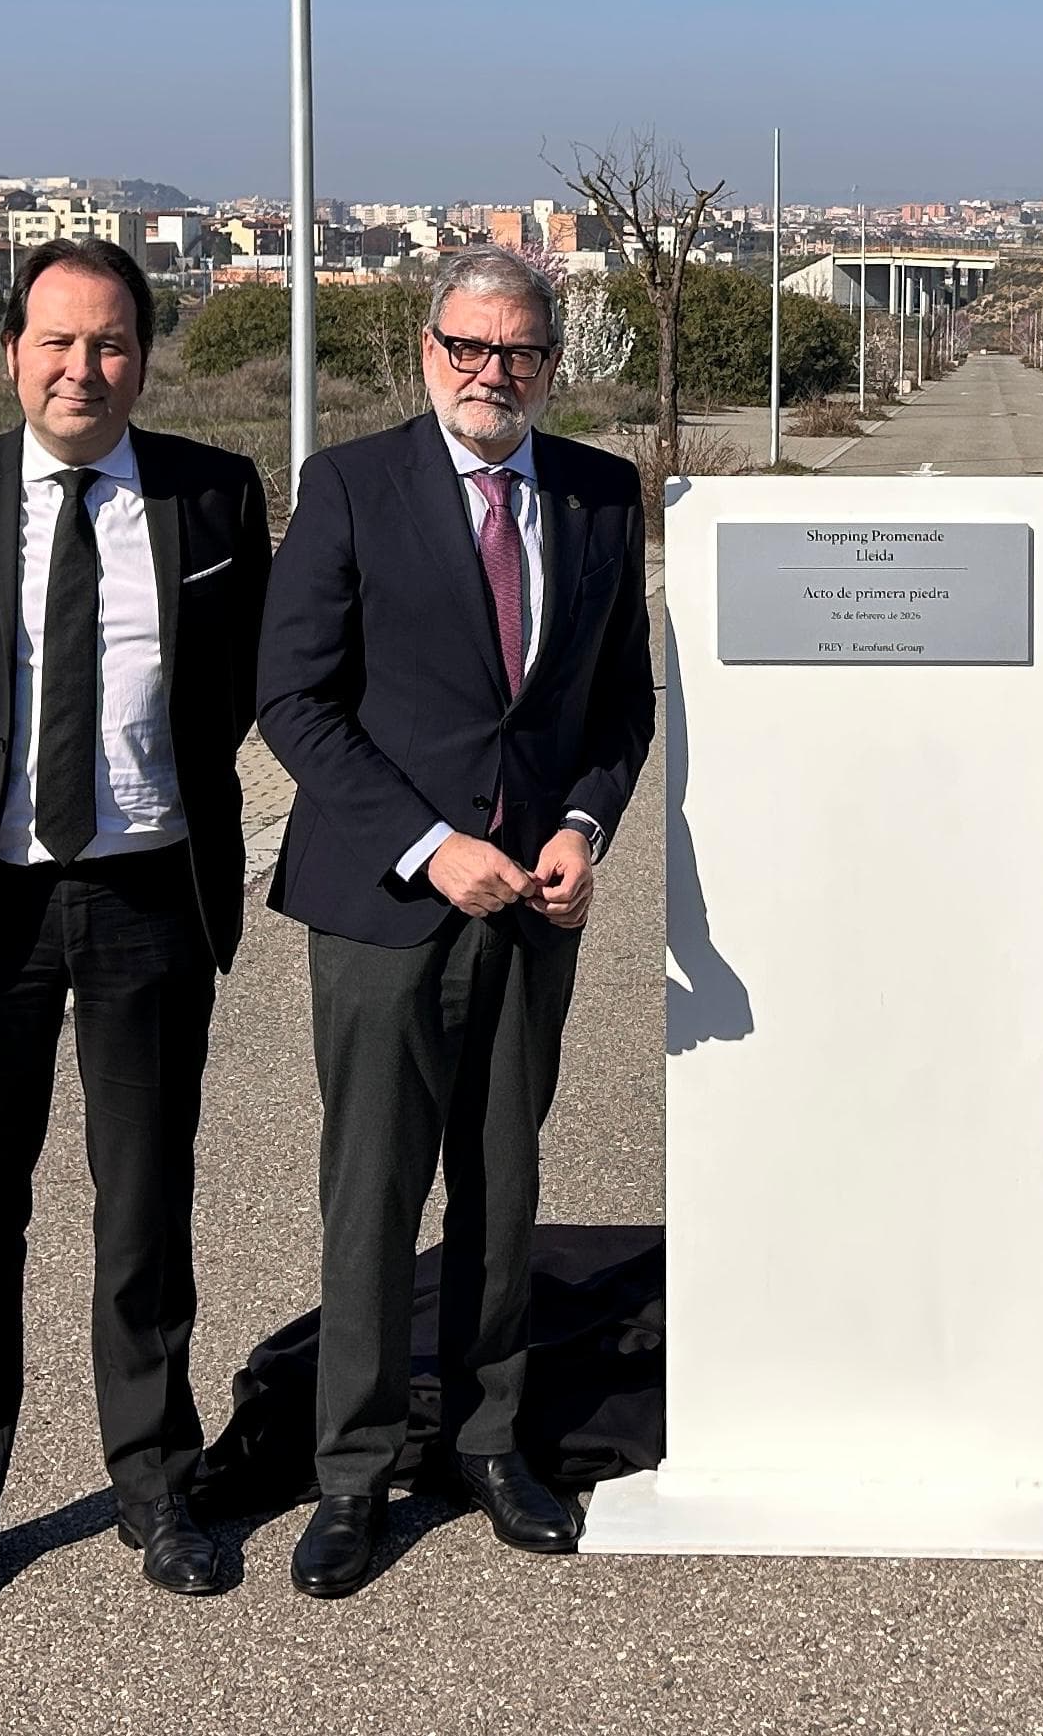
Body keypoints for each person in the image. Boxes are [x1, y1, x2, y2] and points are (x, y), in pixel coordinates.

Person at [0, 236, 273, 1626]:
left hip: (149, 899)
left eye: (108, 344)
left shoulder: (214, 498)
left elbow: (229, 695)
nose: (81, 368)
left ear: (143, 358)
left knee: (145, 1210)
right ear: (12, 354)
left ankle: (160, 1488)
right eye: (55, 341)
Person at [258, 245, 656, 1599]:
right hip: (386, 905)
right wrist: (434, 850)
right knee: (373, 1193)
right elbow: (292, 699)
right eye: (469, 349)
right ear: (428, 351)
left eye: (522, 353)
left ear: (554, 361)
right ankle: (355, 1473)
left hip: (536, 909)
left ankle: (492, 1445)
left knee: (504, 1187)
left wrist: (578, 829)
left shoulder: (602, 494)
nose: (495, 374)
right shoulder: (351, 487)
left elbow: (618, 709)